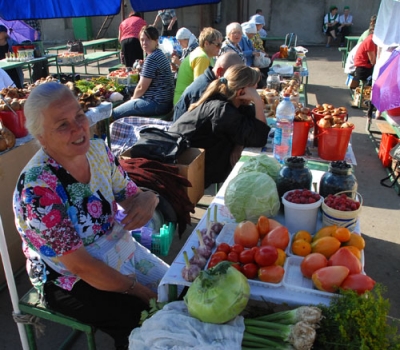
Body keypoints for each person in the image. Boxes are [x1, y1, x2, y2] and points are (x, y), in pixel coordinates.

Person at [13, 82, 169, 350]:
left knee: (175, 290)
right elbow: (80, 266)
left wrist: (148, 197)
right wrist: (140, 292)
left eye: (79, 116)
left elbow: (130, 194)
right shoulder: (39, 187)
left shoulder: (97, 150)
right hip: (65, 277)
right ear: (41, 137)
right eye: (62, 125)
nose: (77, 128)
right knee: (142, 320)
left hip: (116, 248)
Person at [169, 65, 270, 187]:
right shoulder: (221, 109)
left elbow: (252, 122)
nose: (256, 90)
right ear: (241, 91)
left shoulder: (230, 102)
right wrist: (258, 101)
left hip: (201, 166)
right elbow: (259, 138)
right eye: (254, 88)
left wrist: (239, 144)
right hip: (182, 172)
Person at [113, 26, 174, 119]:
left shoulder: (152, 58)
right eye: (142, 40)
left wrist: (132, 100)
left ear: (156, 41)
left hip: (157, 104)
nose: (144, 43)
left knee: (114, 113)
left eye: (148, 39)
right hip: (165, 102)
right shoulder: (159, 54)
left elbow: (141, 87)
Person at [173, 52, 243, 121]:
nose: (237, 81)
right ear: (220, 72)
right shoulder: (203, 92)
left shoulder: (212, 82)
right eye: (235, 76)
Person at [173, 27, 223, 104]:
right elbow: (200, 88)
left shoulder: (207, 55)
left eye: (221, 44)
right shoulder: (202, 57)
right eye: (218, 45)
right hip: (185, 103)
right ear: (206, 44)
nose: (220, 47)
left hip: (188, 99)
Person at [349, 24, 377, 90]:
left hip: (362, 67)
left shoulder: (371, 39)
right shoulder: (370, 40)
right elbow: (373, 61)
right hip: (362, 70)